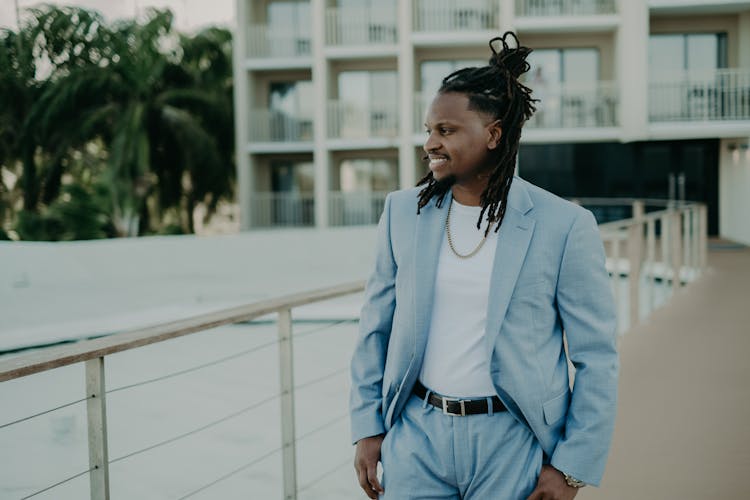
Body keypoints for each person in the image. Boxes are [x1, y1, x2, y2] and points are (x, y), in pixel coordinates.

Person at [350, 32, 618, 500]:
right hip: (417, 436)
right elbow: (375, 327)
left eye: (446, 131)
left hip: (513, 442)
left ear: (493, 134)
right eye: (429, 129)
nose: (430, 142)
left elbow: (596, 358)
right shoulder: (401, 212)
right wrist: (368, 426)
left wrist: (571, 467)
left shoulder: (564, 225)